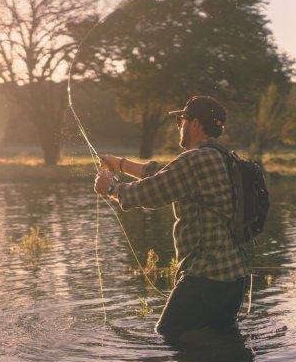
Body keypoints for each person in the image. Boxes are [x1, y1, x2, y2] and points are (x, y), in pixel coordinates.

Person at [94, 95, 250, 336]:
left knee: (168, 335)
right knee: (219, 343)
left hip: (205, 279)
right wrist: (119, 164)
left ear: (195, 124)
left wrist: (111, 189)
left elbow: (150, 193)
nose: (179, 127)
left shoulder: (195, 159)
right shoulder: (222, 157)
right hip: (234, 280)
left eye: (181, 121)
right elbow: (161, 173)